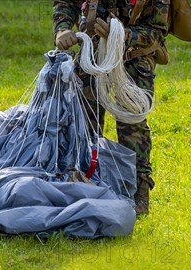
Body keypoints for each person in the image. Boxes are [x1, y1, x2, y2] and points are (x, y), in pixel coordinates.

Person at [52, 0, 171, 215]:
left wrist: (121, 34)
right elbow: (66, 2)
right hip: (92, 52)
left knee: (132, 122)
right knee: (82, 118)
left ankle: (138, 190)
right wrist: (63, 29)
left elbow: (155, 32)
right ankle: (82, 178)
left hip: (134, 56)